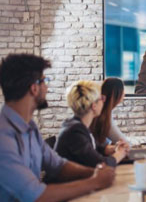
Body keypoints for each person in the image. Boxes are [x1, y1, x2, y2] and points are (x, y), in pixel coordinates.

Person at [0, 53, 115, 202]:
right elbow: (36, 195)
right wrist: (94, 181)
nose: (47, 88)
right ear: (34, 88)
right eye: (45, 81)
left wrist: (94, 173)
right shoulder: (3, 138)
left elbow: (58, 165)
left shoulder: (30, 127)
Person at [55, 80, 128, 168]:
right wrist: (120, 153)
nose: (104, 101)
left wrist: (113, 148)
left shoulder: (78, 126)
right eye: (102, 98)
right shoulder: (75, 133)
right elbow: (101, 165)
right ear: (94, 106)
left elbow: (95, 148)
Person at [90, 78, 129, 147]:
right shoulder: (104, 115)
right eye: (123, 90)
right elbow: (123, 142)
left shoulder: (105, 112)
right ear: (117, 93)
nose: (124, 94)